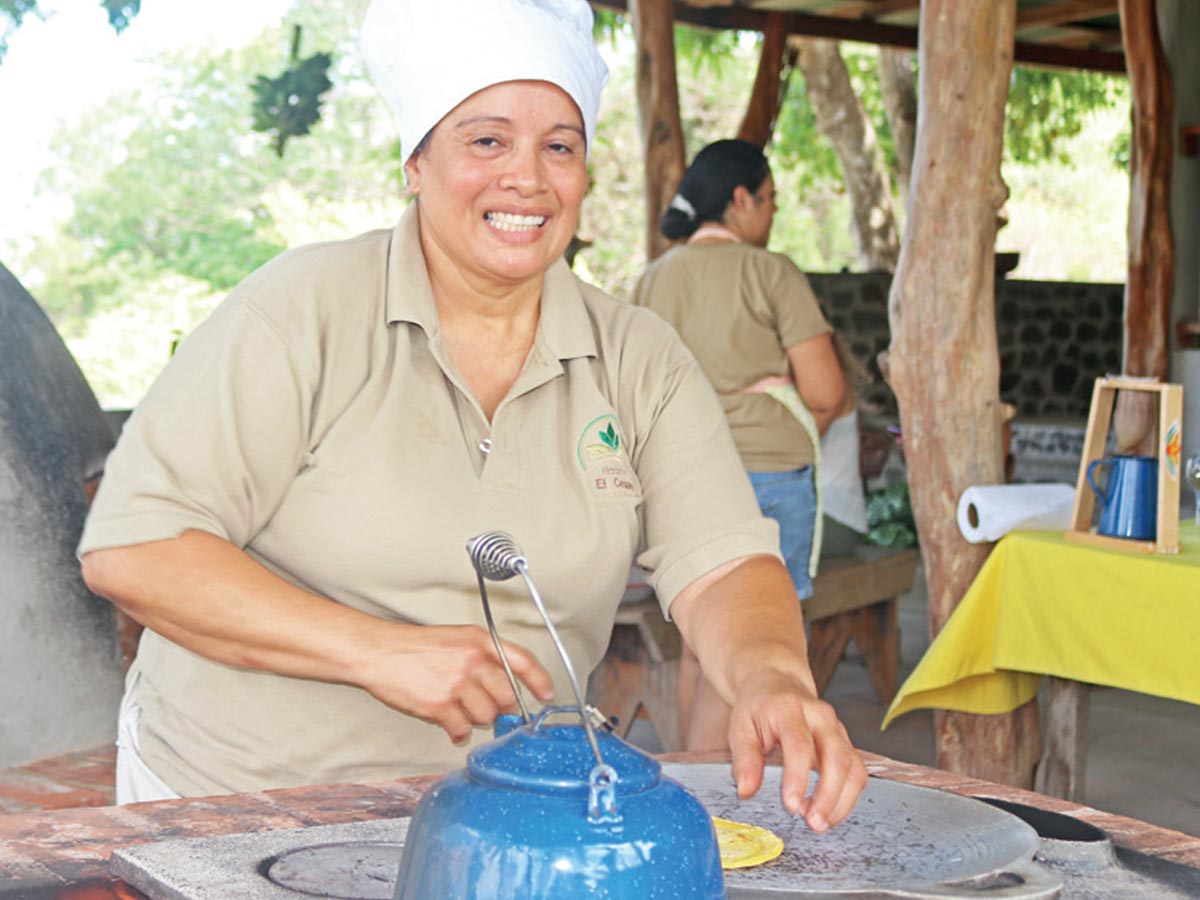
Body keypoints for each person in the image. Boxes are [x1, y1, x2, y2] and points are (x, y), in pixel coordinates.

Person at [78, 0, 866, 832]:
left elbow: (724, 562)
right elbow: (135, 547)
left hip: (511, 818)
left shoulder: (638, 356)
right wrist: (374, 651)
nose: (526, 177)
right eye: (487, 141)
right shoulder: (305, 309)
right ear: (415, 164)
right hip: (246, 805)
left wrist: (773, 673)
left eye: (558, 146)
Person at [632, 139, 849, 750]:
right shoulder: (770, 271)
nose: (773, 212)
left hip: (674, 481)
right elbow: (827, 393)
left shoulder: (651, 279)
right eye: (771, 198)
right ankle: (724, 806)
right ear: (741, 198)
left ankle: (693, 780)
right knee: (762, 649)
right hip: (772, 475)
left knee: (700, 646)